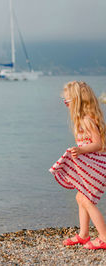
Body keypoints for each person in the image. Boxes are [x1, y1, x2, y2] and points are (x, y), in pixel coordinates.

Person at [50, 81, 106, 249]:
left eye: (67, 101)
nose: (66, 105)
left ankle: (103, 237)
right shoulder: (82, 120)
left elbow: (98, 144)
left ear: (77, 101)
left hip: (98, 167)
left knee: (86, 199)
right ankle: (84, 234)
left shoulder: (87, 120)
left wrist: (81, 151)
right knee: (80, 197)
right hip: (92, 166)